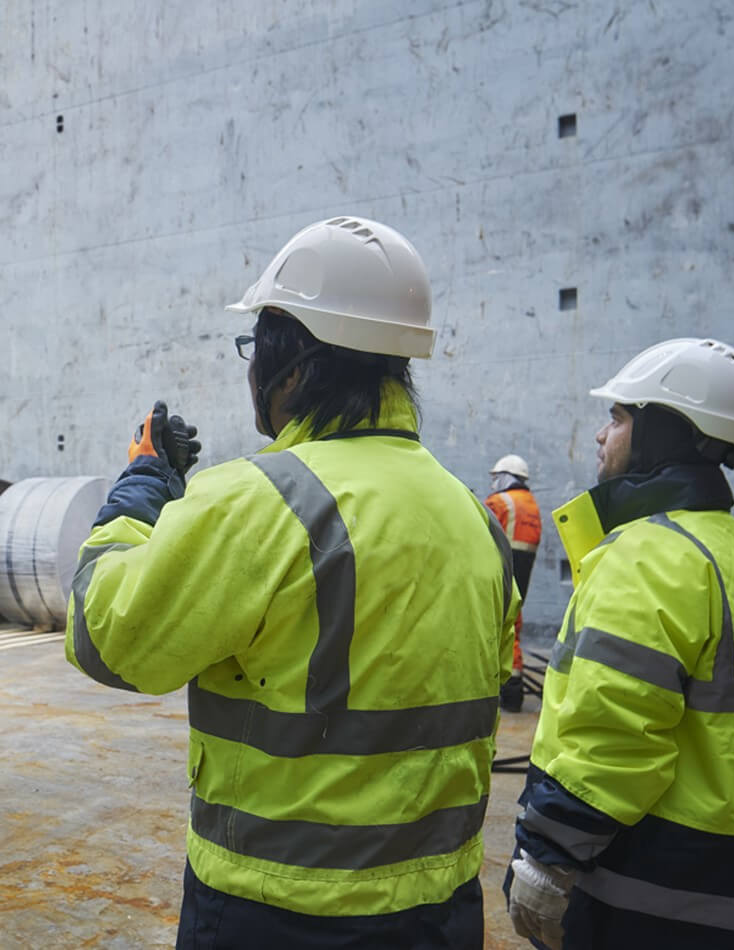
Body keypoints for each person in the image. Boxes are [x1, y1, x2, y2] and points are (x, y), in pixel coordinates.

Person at [66, 216, 517, 947]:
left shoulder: (258, 499)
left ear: (296, 366)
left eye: (258, 348)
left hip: (274, 910)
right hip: (438, 908)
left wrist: (140, 493)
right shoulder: (472, 515)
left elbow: (108, 639)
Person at [504, 338, 734, 949]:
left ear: (662, 431)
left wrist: (548, 855)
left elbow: (612, 733)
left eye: (619, 417)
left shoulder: (649, 556)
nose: (603, 436)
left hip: (641, 890)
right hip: (729, 882)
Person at [486, 454, 542, 711]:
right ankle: (513, 693)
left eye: (496, 478)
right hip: (522, 573)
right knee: (513, 627)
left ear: (506, 477)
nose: (493, 483)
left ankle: (505, 691)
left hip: (498, 571)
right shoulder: (532, 505)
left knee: (491, 627)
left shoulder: (499, 502)